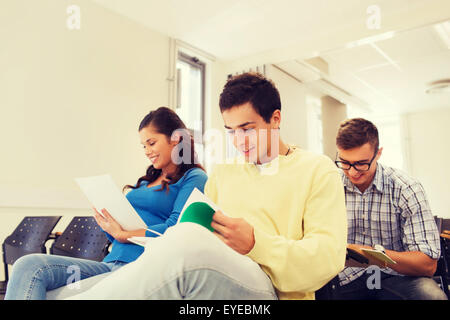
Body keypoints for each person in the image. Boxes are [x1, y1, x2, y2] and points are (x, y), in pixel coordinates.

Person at [65, 72, 347, 300]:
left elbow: (327, 259)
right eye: (231, 132)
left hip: (273, 291)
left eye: (247, 129)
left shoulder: (317, 170)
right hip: (211, 275)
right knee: (183, 238)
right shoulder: (224, 173)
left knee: (186, 240)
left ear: (275, 119)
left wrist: (256, 244)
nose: (239, 141)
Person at [4, 106, 208, 300]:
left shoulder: (194, 177)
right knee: (28, 265)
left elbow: (177, 229)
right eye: (143, 146)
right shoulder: (148, 180)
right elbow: (118, 235)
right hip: (109, 263)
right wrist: (109, 225)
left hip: (140, 268)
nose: (146, 151)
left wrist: (124, 234)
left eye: (151, 143)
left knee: (62, 294)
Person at [334, 117, 447, 300]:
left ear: (378, 154)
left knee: (432, 297)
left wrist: (371, 255)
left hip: (396, 276)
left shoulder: (406, 188)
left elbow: (427, 264)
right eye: (345, 162)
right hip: (345, 277)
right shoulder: (329, 185)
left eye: (361, 163)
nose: (353, 172)